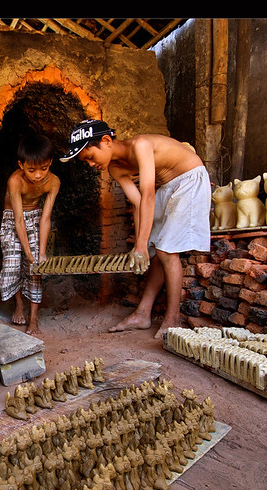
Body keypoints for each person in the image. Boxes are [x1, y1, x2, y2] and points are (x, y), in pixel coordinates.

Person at [60, 119, 211, 339]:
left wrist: (140, 245)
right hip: (168, 187)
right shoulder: (115, 168)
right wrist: (143, 245)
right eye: (86, 162)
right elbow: (138, 203)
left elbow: (148, 193)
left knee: (166, 251)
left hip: (189, 179)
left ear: (106, 141)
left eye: (91, 157)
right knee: (157, 249)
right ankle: (142, 314)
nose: (91, 164)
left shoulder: (141, 145)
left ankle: (173, 318)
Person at [0, 134, 61, 335]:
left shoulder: (53, 182)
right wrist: (27, 252)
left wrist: (40, 253)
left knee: (36, 269)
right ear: (21, 164)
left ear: (50, 162)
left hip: (36, 217)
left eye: (44, 168)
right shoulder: (15, 181)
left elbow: (45, 218)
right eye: (31, 170)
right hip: (12, 218)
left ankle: (33, 319)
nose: (38, 176)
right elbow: (18, 220)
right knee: (13, 264)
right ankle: (18, 304)